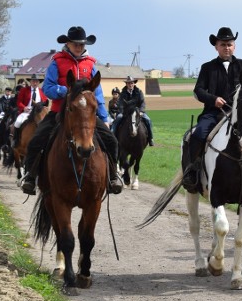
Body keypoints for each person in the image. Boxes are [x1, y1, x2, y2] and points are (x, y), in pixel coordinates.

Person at [20, 26, 122, 196]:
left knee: (112, 141)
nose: (79, 47)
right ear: (68, 43)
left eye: (81, 44)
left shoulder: (91, 64)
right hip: (60, 112)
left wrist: (104, 117)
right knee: (37, 140)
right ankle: (30, 177)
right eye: (75, 44)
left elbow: (97, 93)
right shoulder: (57, 61)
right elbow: (48, 88)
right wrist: (66, 91)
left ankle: (113, 176)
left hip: (86, 115)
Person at [183, 26, 242, 194]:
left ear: (234, 46)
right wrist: (213, 99)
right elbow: (198, 91)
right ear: (216, 46)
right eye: (223, 44)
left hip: (240, 114)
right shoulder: (207, 67)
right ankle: (193, 172)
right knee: (197, 134)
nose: (227, 47)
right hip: (213, 113)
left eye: (229, 44)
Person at [111, 76, 154, 146]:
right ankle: (113, 137)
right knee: (118, 118)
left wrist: (141, 111)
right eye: (128, 83)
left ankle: (150, 138)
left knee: (148, 120)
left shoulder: (139, 92)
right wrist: (122, 112)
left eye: (131, 83)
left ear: (134, 83)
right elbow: (120, 104)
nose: (130, 84)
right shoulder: (122, 93)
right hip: (126, 112)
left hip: (138, 112)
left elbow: (142, 102)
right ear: (126, 84)